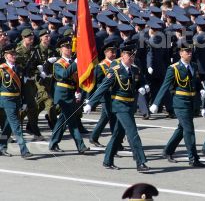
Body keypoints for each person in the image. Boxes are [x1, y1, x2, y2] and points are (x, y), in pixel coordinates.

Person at [84, 42, 150, 172]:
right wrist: (91, 103)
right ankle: (140, 162)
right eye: (128, 55)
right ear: (123, 55)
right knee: (133, 133)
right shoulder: (115, 70)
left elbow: (141, 81)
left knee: (118, 135)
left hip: (130, 105)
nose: (131, 58)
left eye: (133, 55)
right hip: (119, 105)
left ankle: (107, 160)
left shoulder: (135, 69)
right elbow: (102, 87)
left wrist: (143, 86)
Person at [149, 41, 205, 167]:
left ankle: (168, 151)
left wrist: (200, 89)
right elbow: (165, 86)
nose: (190, 53)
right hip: (180, 102)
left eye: (191, 51)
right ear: (181, 53)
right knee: (189, 129)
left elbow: (195, 81)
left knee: (182, 128)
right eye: (187, 51)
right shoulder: (173, 68)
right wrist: (156, 103)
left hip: (191, 102)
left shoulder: (194, 66)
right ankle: (193, 158)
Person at [49, 37, 89, 154]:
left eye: (69, 47)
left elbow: (76, 79)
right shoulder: (58, 64)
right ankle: (80, 146)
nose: (69, 49)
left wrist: (78, 91)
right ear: (61, 49)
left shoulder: (72, 62)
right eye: (66, 47)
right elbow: (65, 75)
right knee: (71, 121)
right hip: (62, 95)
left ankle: (53, 142)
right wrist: (76, 63)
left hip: (71, 93)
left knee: (62, 119)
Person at [0, 43, 33, 159]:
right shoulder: (2, 69)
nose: (14, 56)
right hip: (6, 100)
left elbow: (23, 86)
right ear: (6, 56)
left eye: (14, 54)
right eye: (11, 54)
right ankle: (24, 150)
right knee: (16, 126)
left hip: (17, 99)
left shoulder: (19, 69)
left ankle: (1, 147)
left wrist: (24, 101)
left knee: (8, 126)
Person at [88, 42, 118, 147]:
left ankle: (93, 137)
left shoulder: (117, 64)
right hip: (106, 96)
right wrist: (90, 98)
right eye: (112, 52)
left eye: (115, 51)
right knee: (113, 118)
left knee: (105, 118)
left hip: (114, 95)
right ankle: (117, 142)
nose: (114, 54)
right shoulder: (101, 66)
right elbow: (97, 83)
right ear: (105, 53)